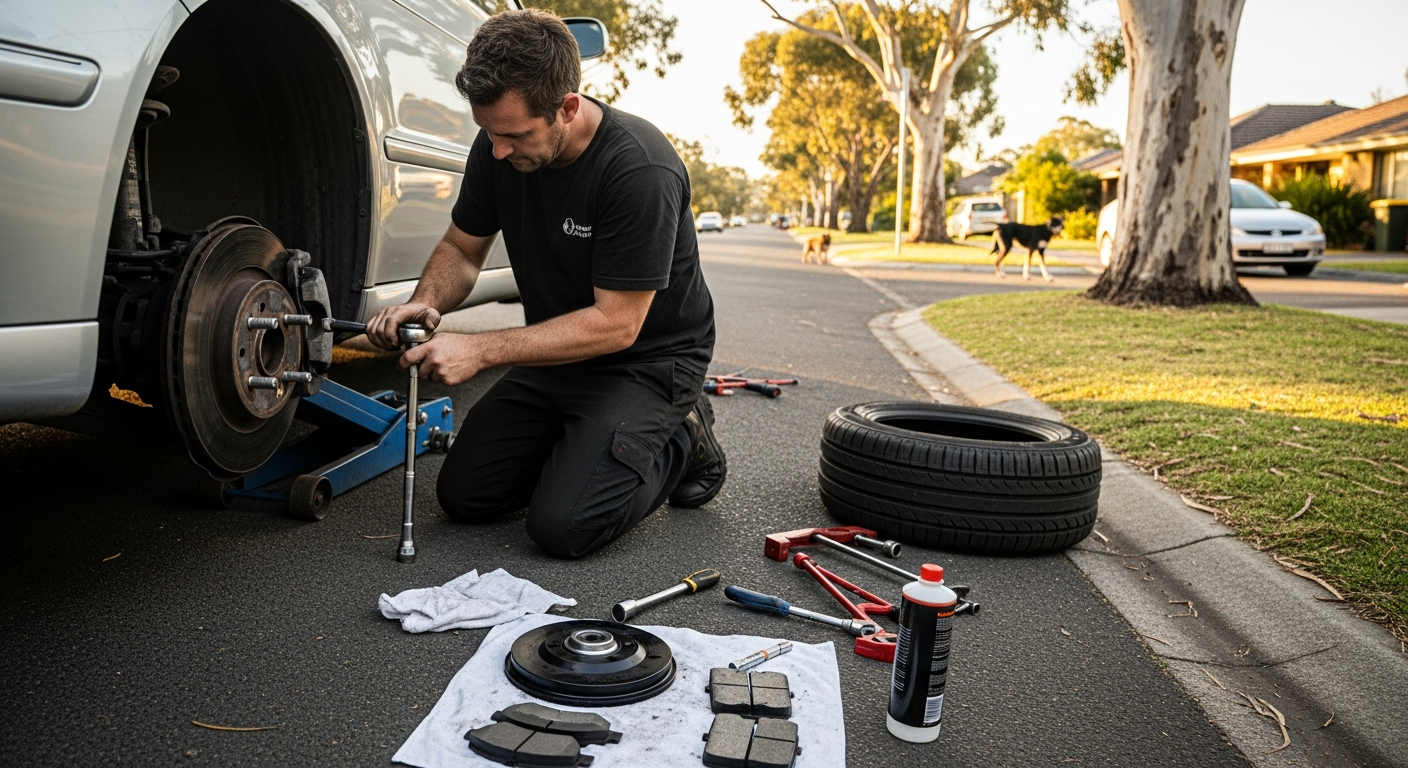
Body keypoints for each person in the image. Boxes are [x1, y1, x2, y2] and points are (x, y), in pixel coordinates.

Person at [365, 9, 724, 558]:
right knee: (465, 497)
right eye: (490, 135)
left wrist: (481, 350)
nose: (499, 151)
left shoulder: (639, 170)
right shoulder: (497, 147)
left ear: (568, 106)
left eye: (515, 135)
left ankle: (683, 432)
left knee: (564, 527)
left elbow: (617, 324)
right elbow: (463, 249)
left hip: (646, 362)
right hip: (559, 353)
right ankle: (591, 444)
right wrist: (424, 301)